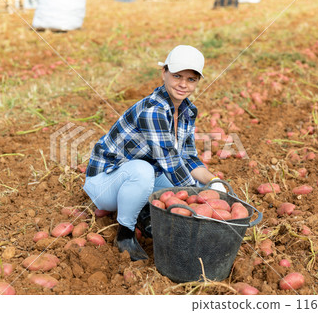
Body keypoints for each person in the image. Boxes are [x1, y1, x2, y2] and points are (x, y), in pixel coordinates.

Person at [83, 45, 227, 261]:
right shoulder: (153, 111)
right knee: (144, 172)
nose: (183, 84)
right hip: (105, 183)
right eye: (177, 76)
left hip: (145, 173)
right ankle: (125, 235)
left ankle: (143, 211)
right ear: (164, 73)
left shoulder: (188, 110)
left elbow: (187, 157)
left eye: (191, 79)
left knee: (197, 186)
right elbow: (169, 160)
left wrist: (213, 182)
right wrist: (195, 198)